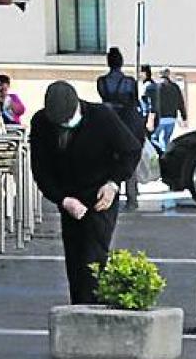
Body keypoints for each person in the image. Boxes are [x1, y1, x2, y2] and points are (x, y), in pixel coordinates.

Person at [30, 81, 142, 304]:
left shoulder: (101, 117)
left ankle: (92, 308)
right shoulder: (42, 123)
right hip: (69, 197)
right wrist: (62, 199)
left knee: (93, 257)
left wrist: (113, 184)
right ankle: (78, 308)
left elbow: (130, 150)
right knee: (74, 258)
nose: (65, 126)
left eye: (68, 120)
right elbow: (41, 170)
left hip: (100, 194)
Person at [97, 47, 148, 210]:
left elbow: (103, 98)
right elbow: (135, 103)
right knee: (129, 159)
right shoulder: (129, 82)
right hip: (128, 125)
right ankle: (132, 198)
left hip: (109, 123)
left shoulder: (101, 82)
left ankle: (111, 197)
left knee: (110, 160)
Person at [151, 67, 187, 152]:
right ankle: (166, 154)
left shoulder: (156, 87)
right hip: (172, 117)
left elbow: (153, 103)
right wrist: (184, 116)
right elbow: (180, 102)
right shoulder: (175, 87)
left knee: (153, 138)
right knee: (166, 139)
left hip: (160, 117)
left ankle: (159, 154)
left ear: (160, 75)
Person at [139, 64, 159, 133]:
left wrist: (151, 119)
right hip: (146, 116)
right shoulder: (146, 85)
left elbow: (152, 103)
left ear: (146, 74)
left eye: (142, 73)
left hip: (148, 117)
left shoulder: (149, 86)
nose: (140, 75)